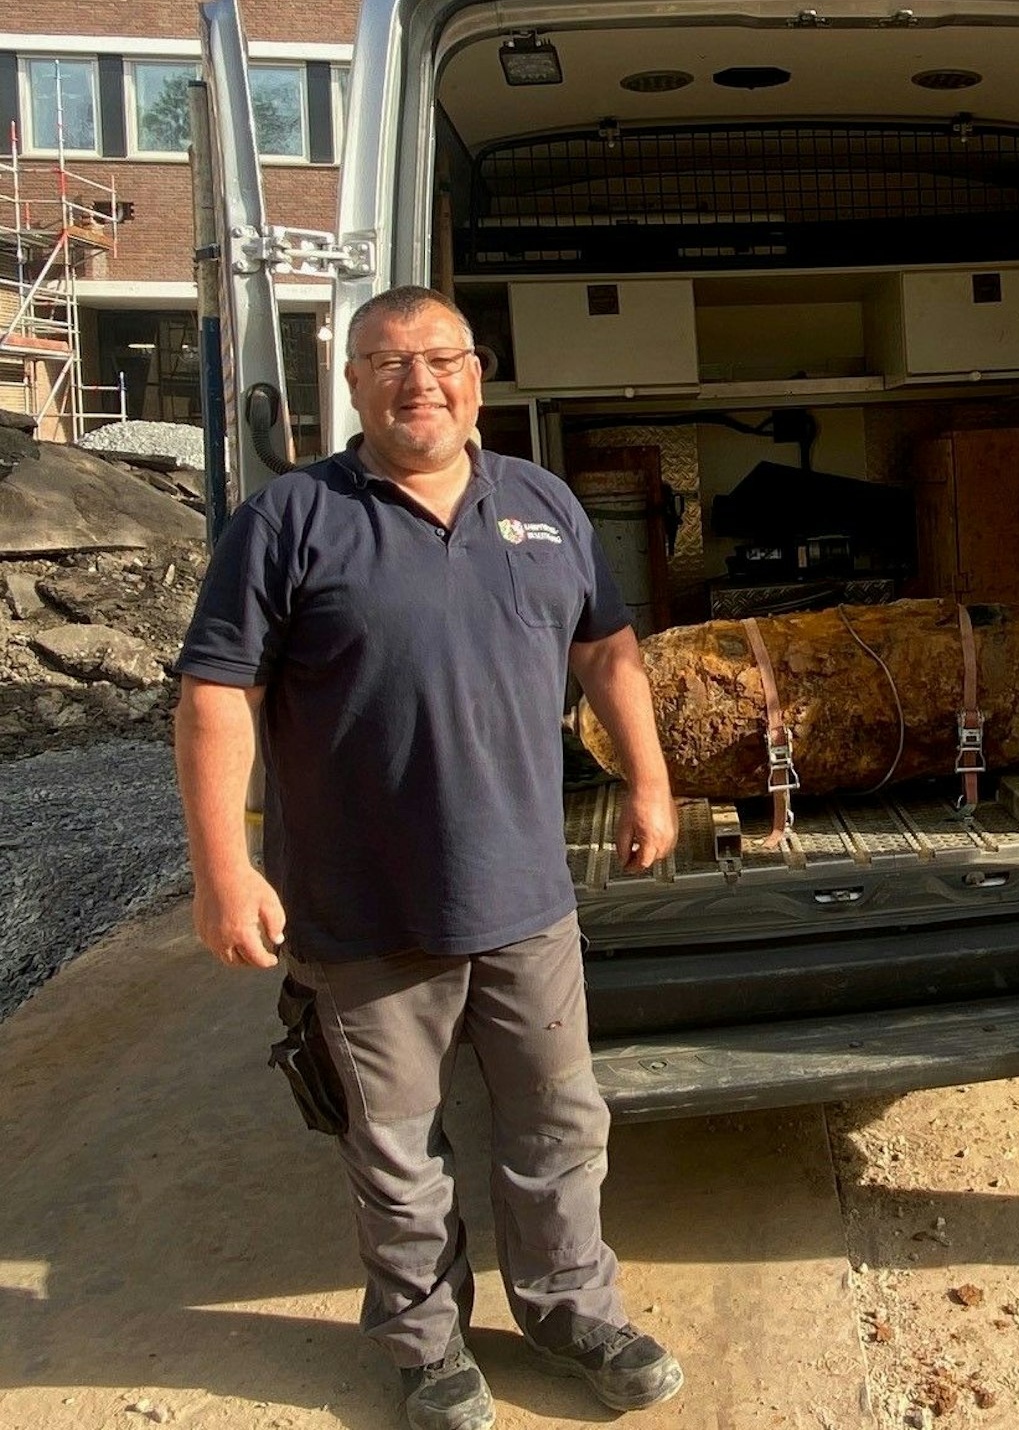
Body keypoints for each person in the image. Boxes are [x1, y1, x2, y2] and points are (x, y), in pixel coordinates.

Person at [172, 285, 681, 1430]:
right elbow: (216, 694)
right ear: (352, 382)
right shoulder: (290, 517)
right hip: (361, 908)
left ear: (477, 377)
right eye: (389, 362)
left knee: (559, 1123)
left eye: (441, 358)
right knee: (397, 1148)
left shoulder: (542, 503)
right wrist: (221, 868)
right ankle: (426, 1346)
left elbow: (607, 650)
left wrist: (649, 779)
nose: (420, 382)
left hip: (525, 899)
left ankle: (568, 1309)